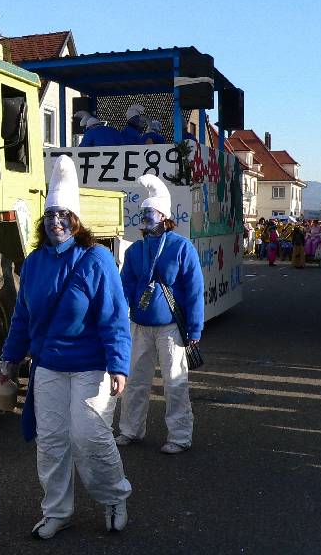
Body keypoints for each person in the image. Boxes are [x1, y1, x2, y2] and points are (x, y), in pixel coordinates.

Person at [0, 155, 132, 541]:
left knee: (89, 437)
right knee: (52, 442)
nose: (55, 221)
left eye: (63, 215)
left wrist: (119, 363)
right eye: (50, 214)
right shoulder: (34, 263)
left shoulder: (96, 259)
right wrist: (9, 359)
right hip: (49, 366)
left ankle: (114, 497)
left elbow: (114, 316)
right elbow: (22, 317)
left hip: (91, 364)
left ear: (76, 220)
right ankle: (57, 511)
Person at [116, 174, 204, 454]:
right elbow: (125, 285)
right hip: (139, 325)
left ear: (164, 216)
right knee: (135, 381)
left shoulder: (181, 247)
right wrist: (123, 317)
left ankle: (180, 436)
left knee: (174, 382)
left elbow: (194, 290)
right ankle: (130, 430)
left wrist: (195, 328)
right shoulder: (136, 250)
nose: (144, 218)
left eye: (149, 213)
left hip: (170, 328)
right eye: (142, 213)